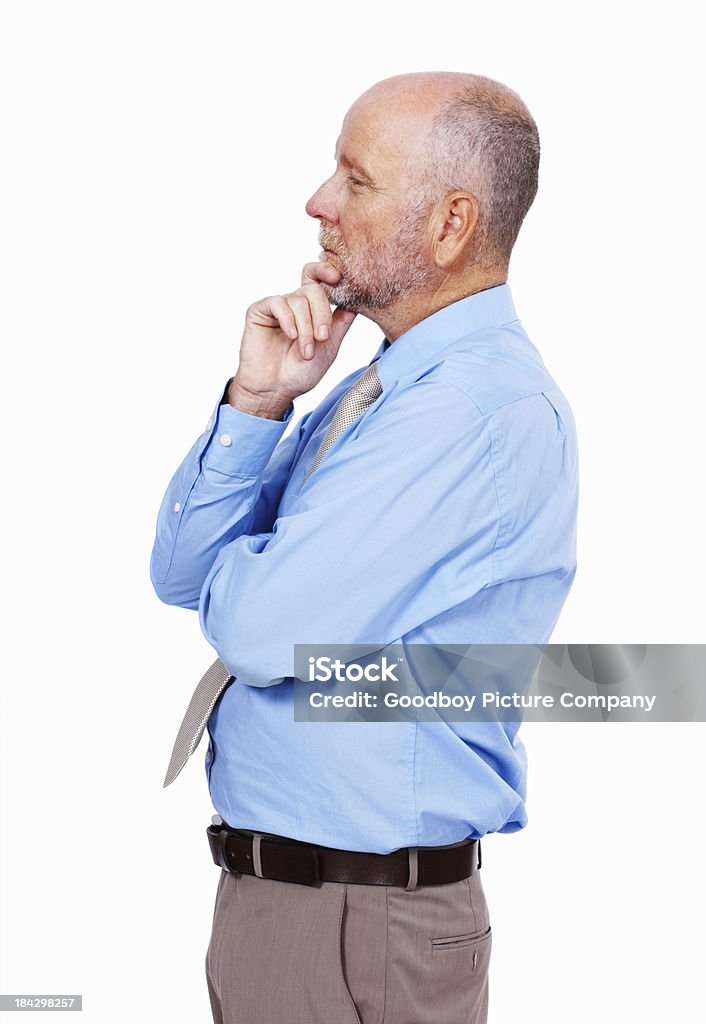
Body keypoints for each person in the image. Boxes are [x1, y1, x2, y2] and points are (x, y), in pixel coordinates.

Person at [150, 71, 578, 1024]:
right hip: (306, 909)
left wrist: (256, 573)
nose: (317, 203)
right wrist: (260, 405)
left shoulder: (469, 412)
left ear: (450, 223)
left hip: (356, 924)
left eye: (355, 178)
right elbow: (180, 576)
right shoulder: (386, 389)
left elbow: (257, 632)